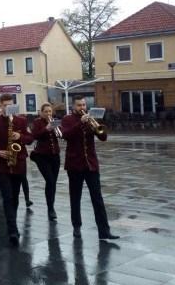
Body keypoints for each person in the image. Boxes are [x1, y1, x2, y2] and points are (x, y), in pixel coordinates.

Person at [59, 96, 119, 240]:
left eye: (84, 105)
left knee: (97, 198)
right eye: (79, 105)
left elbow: (103, 138)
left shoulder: (90, 119)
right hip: (74, 165)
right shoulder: (68, 119)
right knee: (75, 197)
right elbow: (65, 135)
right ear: (74, 107)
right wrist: (80, 123)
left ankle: (104, 231)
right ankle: (77, 226)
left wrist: (97, 127)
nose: (82, 108)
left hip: (91, 164)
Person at [0, 94, 34, 246]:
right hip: (1, 165)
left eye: (10, 104)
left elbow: (30, 138)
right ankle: (12, 230)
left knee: (15, 196)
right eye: (5, 105)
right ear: (1, 106)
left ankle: (11, 222)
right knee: (7, 197)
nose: (8, 107)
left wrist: (19, 135)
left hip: (18, 163)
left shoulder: (21, 120)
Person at [30, 102, 61, 222]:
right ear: (41, 112)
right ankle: (50, 208)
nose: (48, 113)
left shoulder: (54, 120)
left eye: (50, 111)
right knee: (50, 180)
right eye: (46, 111)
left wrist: (58, 130)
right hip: (42, 156)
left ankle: (51, 206)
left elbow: (60, 134)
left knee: (53, 183)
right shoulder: (37, 122)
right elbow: (34, 136)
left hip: (55, 155)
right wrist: (46, 129)